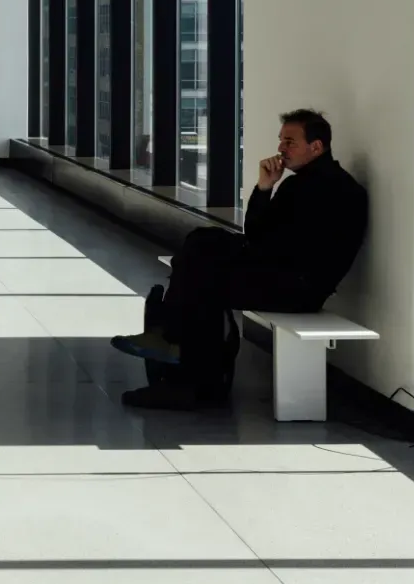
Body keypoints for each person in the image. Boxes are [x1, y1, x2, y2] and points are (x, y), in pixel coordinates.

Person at [113, 109, 368, 410]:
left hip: (297, 289)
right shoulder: (307, 183)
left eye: (290, 142)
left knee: (202, 273)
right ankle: (183, 363)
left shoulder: (327, 190)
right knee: (202, 244)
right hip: (288, 277)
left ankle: (184, 370)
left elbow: (264, 241)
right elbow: (263, 238)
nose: (281, 149)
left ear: (316, 146)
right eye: (281, 141)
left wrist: (261, 201)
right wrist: (265, 188)